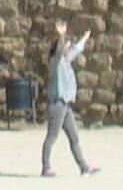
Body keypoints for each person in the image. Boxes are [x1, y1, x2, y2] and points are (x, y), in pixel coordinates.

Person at [41, 18, 101, 178]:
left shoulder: (66, 61)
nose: (68, 49)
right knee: (52, 136)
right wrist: (61, 36)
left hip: (65, 105)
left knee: (74, 136)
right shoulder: (55, 63)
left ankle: (84, 167)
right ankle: (46, 167)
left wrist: (85, 38)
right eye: (66, 47)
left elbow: (76, 50)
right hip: (57, 104)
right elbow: (60, 50)